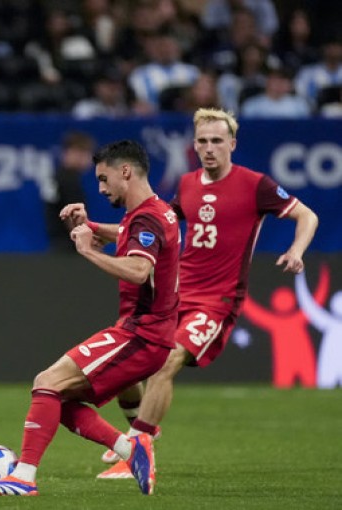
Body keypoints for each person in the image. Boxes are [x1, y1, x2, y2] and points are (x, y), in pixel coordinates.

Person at [95, 108, 319, 479]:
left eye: (217, 140)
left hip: (217, 303)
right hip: (175, 295)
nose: (209, 148)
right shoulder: (187, 184)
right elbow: (148, 227)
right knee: (127, 363)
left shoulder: (255, 184)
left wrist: (296, 251)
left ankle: (136, 449)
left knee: (168, 361)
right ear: (194, 145)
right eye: (202, 141)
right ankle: (142, 426)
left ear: (232, 144)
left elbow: (307, 216)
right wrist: (90, 228)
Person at [0, 140, 181, 497]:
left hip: (142, 335)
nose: (100, 188)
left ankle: (23, 477)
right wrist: (93, 226)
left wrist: (85, 249)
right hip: (144, 333)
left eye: (103, 179)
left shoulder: (146, 216)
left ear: (125, 172)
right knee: (60, 400)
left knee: (47, 381)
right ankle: (131, 449)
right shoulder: (155, 211)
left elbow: (137, 268)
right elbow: (132, 235)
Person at [44, 131, 96, 252]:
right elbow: (71, 216)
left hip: (57, 244)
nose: (90, 160)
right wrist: (87, 244)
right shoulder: (69, 180)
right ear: (75, 153)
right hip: (70, 248)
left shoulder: (57, 176)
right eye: (87, 154)